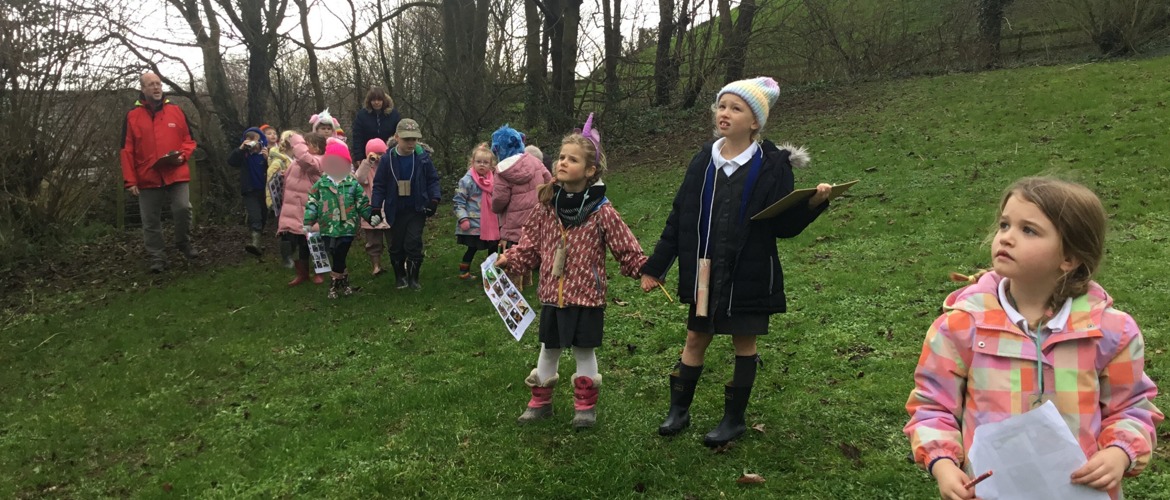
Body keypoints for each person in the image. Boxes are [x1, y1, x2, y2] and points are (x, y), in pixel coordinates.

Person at [905, 177, 1162, 500]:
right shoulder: (961, 325)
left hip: (1079, 492)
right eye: (1004, 224)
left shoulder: (1110, 331)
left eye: (1028, 230)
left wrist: (1119, 452)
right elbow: (932, 405)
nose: (1006, 237)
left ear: (1068, 258)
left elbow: (1133, 407)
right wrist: (942, 462)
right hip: (991, 492)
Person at [640, 77, 834, 448]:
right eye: (722, 105)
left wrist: (813, 203)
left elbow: (783, 226)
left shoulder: (772, 167)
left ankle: (734, 419)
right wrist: (655, 266)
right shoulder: (703, 161)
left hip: (749, 272)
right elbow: (681, 216)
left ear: (755, 121)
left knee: (744, 342)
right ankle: (678, 411)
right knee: (695, 337)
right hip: (705, 270)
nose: (724, 113)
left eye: (736, 108)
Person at [495, 114, 647, 429]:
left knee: (583, 350)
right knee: (548, 347)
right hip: (552, 294)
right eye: (561, 157)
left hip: (587, 296)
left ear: (590, 170)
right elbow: (530, 246)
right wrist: (511, 260)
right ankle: (540, 402)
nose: (563, 162)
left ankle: (585, 408)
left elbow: (625, 247)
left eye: (572, 159)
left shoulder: (601, 210)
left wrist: (644, 268)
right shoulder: (546, 207)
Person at [119, 72, 199, 273]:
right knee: (150, 220)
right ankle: (157, 257)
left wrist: (183, 155)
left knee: (183, 208)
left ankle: (183, 242)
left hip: (176, 171)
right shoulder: (132, 116)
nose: (156, 87)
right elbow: (126, 150)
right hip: (147, 175)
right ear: (143, 89)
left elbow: (189, 140)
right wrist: (130, 180)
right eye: (151, 84)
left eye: (158, 84)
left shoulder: (176, 111)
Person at [370, 119, 441, 290]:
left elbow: (432, 180)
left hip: (417, 208)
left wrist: (434, 200)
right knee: (397, 244)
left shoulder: (423, 158)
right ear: (397, 137)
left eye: (414, 139)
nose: (410, 143)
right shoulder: (387, 159)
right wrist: (376, 207)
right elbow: (379, 185)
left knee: (414, 241)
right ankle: (400, 276)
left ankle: (413, 279)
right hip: (395, 209)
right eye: (406, 139)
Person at [303, 143, 378, 299]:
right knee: (335, 253)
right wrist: (309, 221)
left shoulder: (352, 184)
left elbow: (362, 203)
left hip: (348, 226)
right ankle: (345, 283)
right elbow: (312, 203)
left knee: (341, 251)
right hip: (327, 226)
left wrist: (371, 217)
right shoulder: (321, 184)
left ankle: (333, 284)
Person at [490, 124, 552, 290]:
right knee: (530, 243)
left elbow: (500, 199)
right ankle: (529, 279)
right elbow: (548, 180)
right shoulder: (534, 161)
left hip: (514, 220)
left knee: (514, 249)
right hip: (536, 214)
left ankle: (514, 285)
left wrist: (495, 208)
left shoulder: (502, 171)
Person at [278, 131, 327, 286]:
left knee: (314, 241)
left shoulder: (318, 161)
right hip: (294, 208)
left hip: (310, 209)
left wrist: (295, 138)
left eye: (307, 144)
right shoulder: (298, 161)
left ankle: (320, 272)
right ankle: (302, 273)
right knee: (299, 244)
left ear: (317, 147)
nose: (304, 147)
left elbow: (305, 159)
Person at [452, 142, 501, 280]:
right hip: (473, 222)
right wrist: (463, 218)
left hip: (491, 221)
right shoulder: (467, 181)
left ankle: (492, 271)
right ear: (472, 162)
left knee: (493, 247)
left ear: (491, 165)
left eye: (485, 162)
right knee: (472, 247)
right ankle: (464, 271)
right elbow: (458, 201)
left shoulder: (494, 180)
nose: (482, 165)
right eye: (478, 162)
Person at [228, 127, 270, 256]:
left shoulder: (265, 154)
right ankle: (255, 243)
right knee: (255, 216)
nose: (252, 143)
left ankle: (258, 240)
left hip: (264, 191)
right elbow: (231, 162)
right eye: (249, 139)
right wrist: (240, 149)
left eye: (255, 139)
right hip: (249, 191)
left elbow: (275, 169)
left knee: (263, 216)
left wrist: (268, 159)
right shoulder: (244, 155)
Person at [355, 138, 392, 276]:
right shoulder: (366, 168)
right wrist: (368, 162)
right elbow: (358, 179)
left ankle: (398, 262)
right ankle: (376, 266)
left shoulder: (389, 165)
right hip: (371, 210)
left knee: (394, 239)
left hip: (388, 208)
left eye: (381, 154)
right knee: (373, 242)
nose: (378, 157)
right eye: (376, 154)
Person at [350, 86, 401, 167]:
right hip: (367, 156)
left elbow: (398, 135)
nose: (376, 102)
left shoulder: (394, 115)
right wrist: (358, 156)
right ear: (369, 101)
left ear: (383, 100)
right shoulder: (362, 115)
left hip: (389, 156)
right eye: (373, 100)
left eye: (379, 100)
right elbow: (357, 137)